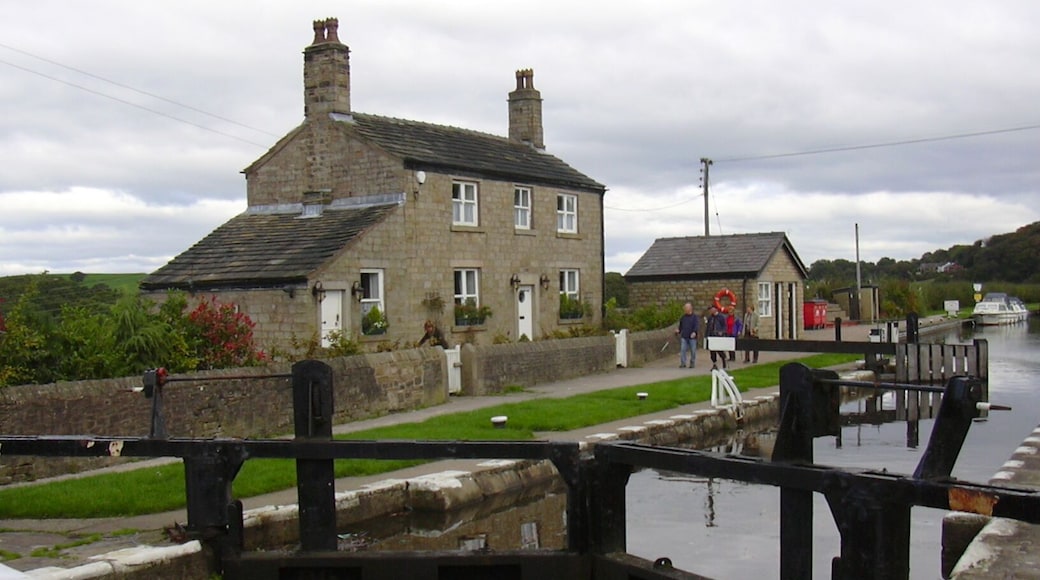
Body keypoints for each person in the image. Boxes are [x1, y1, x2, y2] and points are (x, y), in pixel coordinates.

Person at [675, 302, 700, 368]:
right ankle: (683, 363)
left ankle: (692, 363)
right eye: (684, 308)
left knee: (693, 351)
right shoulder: (683, 317)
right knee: (683, 350)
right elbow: (681, 326)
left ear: (690, 308)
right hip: (684, 336)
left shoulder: (695, 317)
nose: (685, 309)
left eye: (686, 308)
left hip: (692, 337)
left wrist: (694, 332)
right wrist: (678, 331)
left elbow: (696, 326)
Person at [705, 305, 728, 369]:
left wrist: (722, 332)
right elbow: (708, 327)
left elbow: (724, 326)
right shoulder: (710, 318)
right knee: (712, 352)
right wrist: (706, 335)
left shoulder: (721, 317)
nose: (711, 311)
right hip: (711, 336)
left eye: (712, 309)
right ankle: (714, 364)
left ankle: (724, 361)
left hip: (718, 336)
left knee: (719, 350)